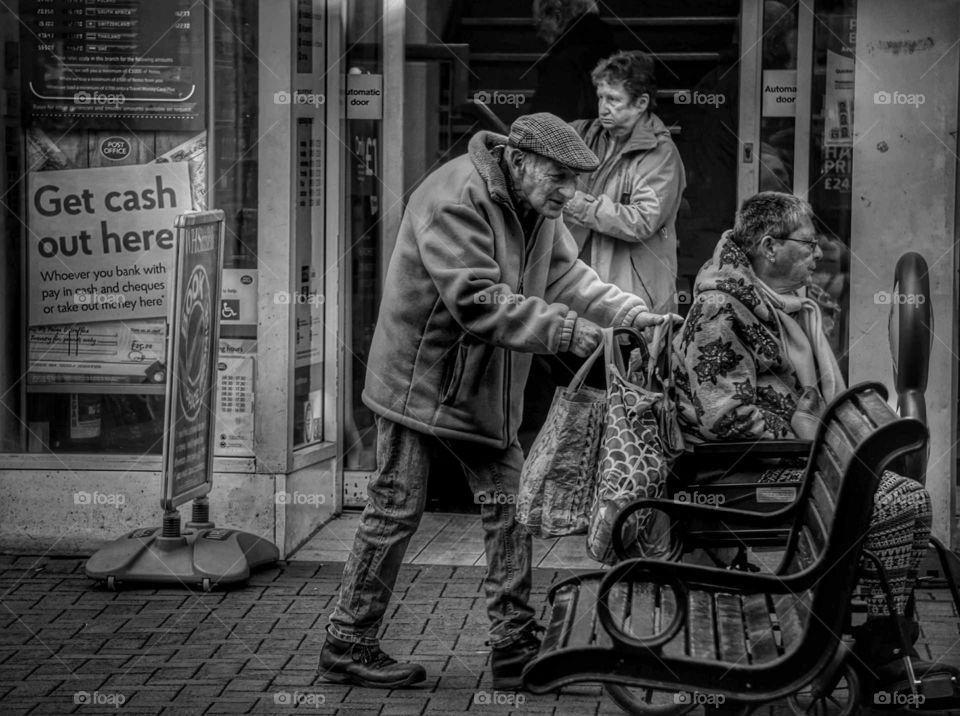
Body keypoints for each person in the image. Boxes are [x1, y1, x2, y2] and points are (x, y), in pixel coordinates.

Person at [320, 112, 671, 691]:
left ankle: (512, 645)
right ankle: (348, 642)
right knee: (394, 510)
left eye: (575, 181)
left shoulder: (537, 205)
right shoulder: (455, 196)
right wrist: (569, 333)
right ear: (519, 158)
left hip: (481, 384)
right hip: (419, 383)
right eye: (558, 178)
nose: (569, 193)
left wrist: (634, 315)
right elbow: (478, 300)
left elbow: (568, 278)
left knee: (509, 507)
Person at [674, 191, 943, 687]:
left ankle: (879, 642)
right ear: (770, 246)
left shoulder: (778, 304)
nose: (820, 254)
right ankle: (870, 648)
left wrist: (817, 429)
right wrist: (807, 430)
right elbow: (724, 418)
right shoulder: (721, 309)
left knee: (906, 500)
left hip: (788, 457)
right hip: (744, 473)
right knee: (900, 501)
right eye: (809, 244)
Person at [565, 50, 686, 314]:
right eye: (600, 97)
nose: (603, 107)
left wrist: (576, 204)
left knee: (622, 353)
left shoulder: (660, 153)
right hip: (579, 288)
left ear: (641, 103)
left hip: (633, 296)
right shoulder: (582, 133)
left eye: (613, 99)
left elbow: (642, 221)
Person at [531, 0, 616, 121]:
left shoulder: (560, 67)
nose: (538, 34)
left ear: (557, 17)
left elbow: (542, 131)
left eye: (538, 24)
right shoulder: (623, 59)